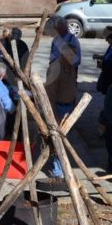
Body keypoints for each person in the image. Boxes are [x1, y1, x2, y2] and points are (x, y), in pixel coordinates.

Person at [46, 15, 81, 179]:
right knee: (58, 136)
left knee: (64, 135)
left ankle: (61, 166)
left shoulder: (72, 42)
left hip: (66, 97)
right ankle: (59, 168)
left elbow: (75, 61)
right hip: (57, 98)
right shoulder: (56, 41)